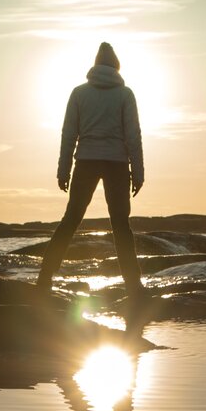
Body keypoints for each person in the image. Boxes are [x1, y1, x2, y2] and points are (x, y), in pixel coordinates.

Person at [36, 42, 145, 299]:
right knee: (121, 227)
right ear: (117, 66)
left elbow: (68, 134)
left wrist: (63, 170)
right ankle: (135, 288)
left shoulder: (79, 93)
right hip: (117, 163)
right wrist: (138, 173)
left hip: (85, 161)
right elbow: (134, 136)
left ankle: (44, 279)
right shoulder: (125, 94)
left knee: (70, 220)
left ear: (95, 65)